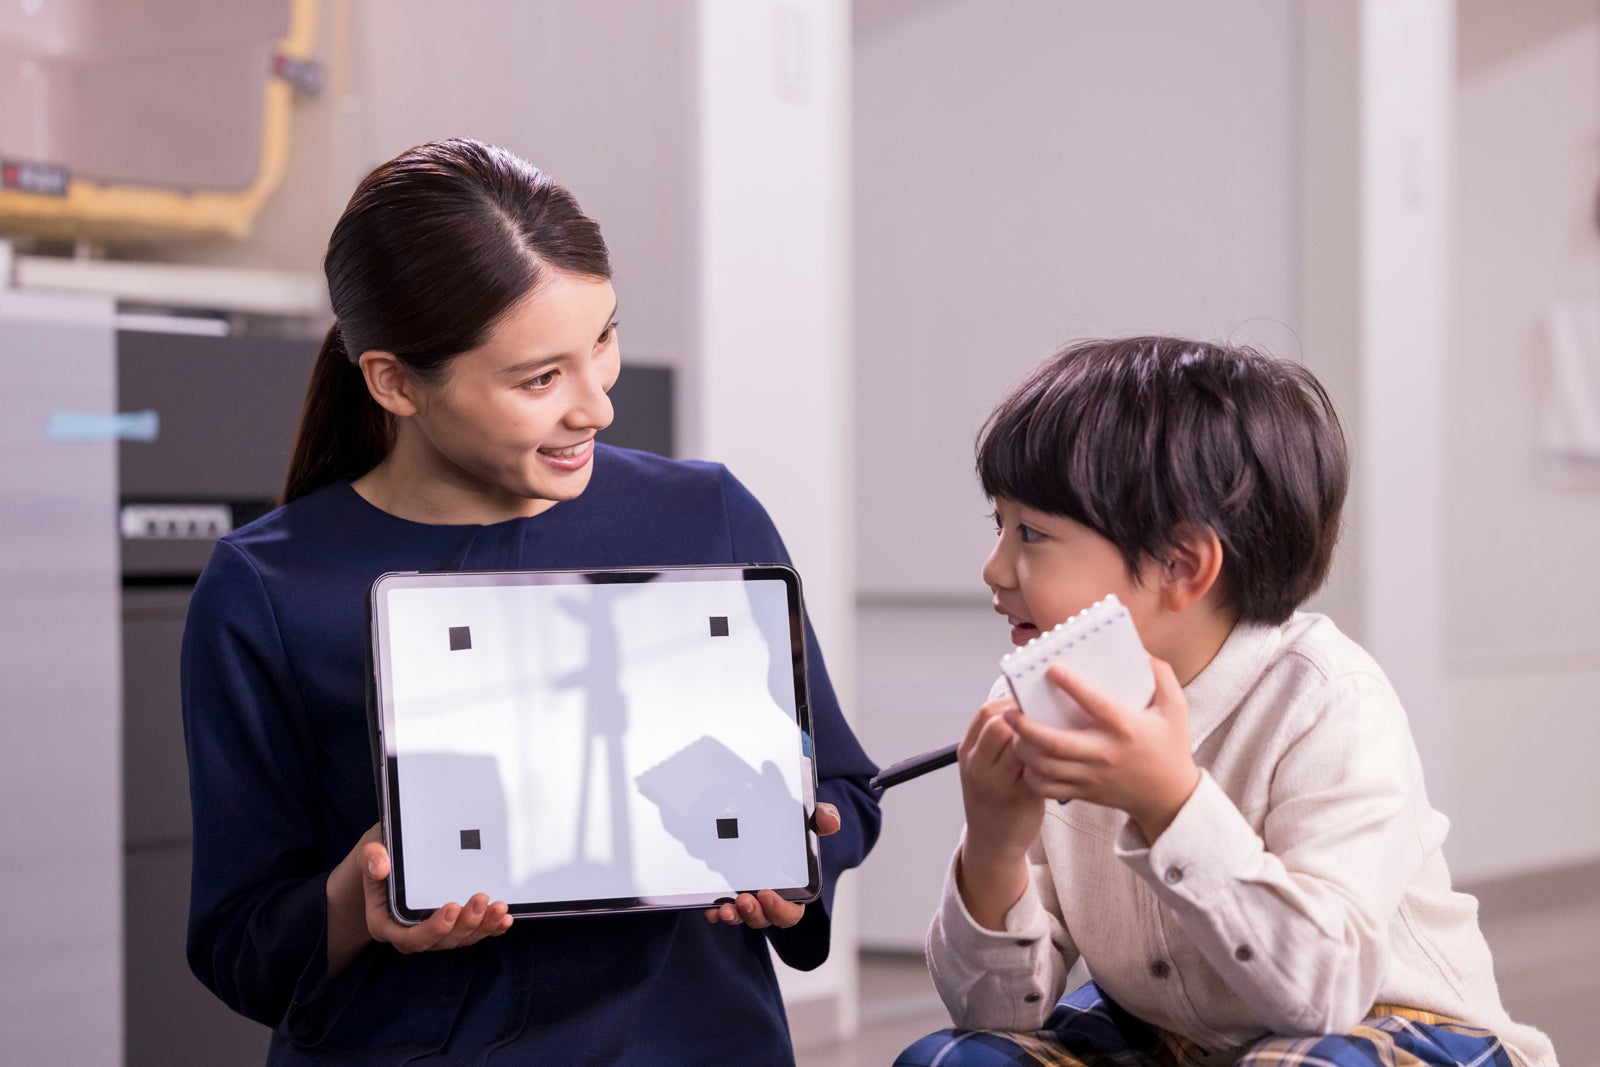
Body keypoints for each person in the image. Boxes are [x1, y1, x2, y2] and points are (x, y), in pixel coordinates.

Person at [181, 138, 881, 1065]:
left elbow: (844, 789)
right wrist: (364, 893)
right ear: (394, 381)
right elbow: (237, 943)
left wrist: (797, 858)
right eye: (540, 378)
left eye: (604, 341)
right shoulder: (267, 587)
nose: (597, 407)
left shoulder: (705, 513)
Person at [898, 337, 1558, 1067]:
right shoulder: (1040, 701)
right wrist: (993, 846)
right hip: (1181, 1038)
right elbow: (996, 1014)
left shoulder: (1327, 698)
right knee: (953, 1059)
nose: (993, 568)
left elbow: (1323, 996)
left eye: (1031, 533)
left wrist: (1167, 800)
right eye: (998, 524)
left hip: (1389, 1028)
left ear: (1182, 566)